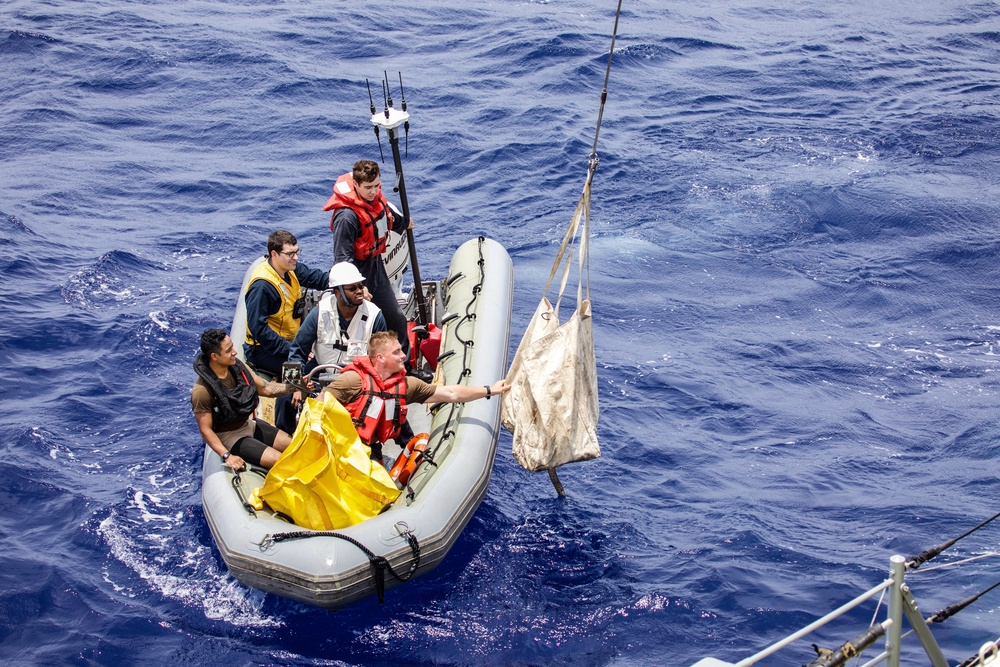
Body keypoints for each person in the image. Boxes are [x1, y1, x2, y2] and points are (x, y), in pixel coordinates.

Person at [323, 331, 511, 463]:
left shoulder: (407, 385)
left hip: (370, 450)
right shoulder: (352, 381)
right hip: (341, 448)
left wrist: (489, 390)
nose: (403, 356)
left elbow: (450, 393)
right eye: (396, 352)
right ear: (380, 358)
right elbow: (317, 407)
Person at [274, 262, 388, 434]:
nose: (359, 291)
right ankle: (286, 439)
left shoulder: (374, 316)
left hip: (356, 377)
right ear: (337, 292)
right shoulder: (319, 312)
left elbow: (381, 359)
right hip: (320, 370)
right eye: (352, 288)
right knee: (284, 397)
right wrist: (296, 385)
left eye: (360, 286)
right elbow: (297, 350)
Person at [323, 160, 412, 361]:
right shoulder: (346, 217)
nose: (373, 192)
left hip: (376, 266)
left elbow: (386, 217)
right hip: (355, 274)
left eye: (376, 186)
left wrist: (404, 223)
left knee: (395, 317)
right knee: (360, 326)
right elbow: (343, 259)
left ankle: (404, 364)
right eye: (368, 188)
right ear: (355, 185)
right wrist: (358, 287)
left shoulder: (375, 199)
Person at [191, 329, 297, 471]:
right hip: (230, 437)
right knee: (281, 461)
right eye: (228, 351)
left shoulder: (237, 367)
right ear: (214, 356)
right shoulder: (201, 391)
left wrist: (295, 387)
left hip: (248, 425)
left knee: (295, 447)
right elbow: (205, 430)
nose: (234, 352)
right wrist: (227, 456)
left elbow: (265, 388)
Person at [244, 230, 329, 378]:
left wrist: (346, 284)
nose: (295, 257)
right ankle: (292, 395)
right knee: (313, 372)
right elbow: (259, 329)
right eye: (290, 254)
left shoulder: (291, 270)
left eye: (297, 252)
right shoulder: (262, 287)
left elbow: (318, 278)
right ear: (274, 254)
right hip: (264, 351)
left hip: (290, 342)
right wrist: (291, 350)